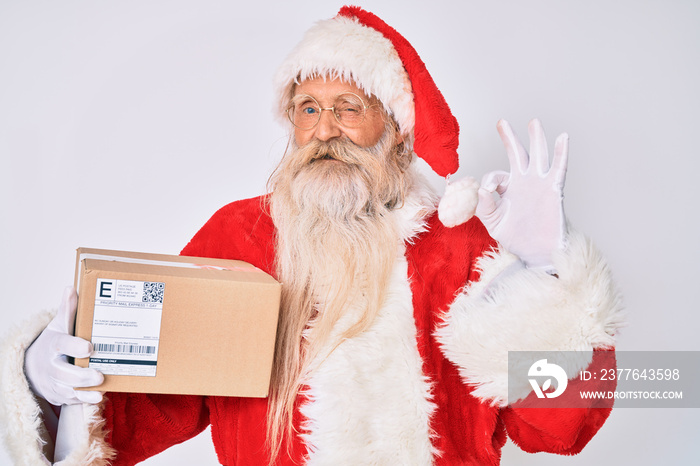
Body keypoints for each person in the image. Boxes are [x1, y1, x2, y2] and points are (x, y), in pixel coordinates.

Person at [0, 6, 623, 466]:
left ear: (398, 130)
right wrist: (46, 384)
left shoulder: (464, 246)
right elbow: (154, 407)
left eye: (349, 107)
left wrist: (546, 279)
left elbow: (559, 431)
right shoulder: (237, 237)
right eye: (308, 109)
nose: (325, 129)